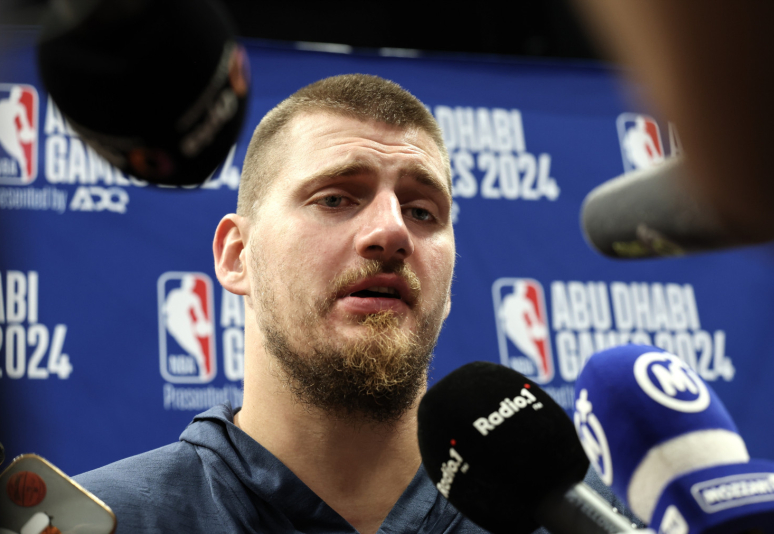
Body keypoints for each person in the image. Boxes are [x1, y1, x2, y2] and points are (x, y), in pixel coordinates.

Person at [75, 74, 633, 534]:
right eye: (336, 198)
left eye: (422, 211)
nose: (392, 232)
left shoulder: (577, 520)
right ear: (237, 256)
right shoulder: (103, 521)